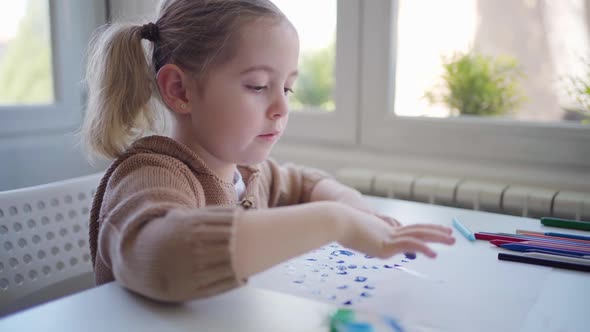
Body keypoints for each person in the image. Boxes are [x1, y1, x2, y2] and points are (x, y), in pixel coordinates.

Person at [82, 0, 455, 303]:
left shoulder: (246, 173)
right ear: (180, 90)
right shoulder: (150, 174)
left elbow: (305, 183)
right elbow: (161, 255)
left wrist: (353, 206)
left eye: (287, 88)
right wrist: (335, 222)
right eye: (258, 86)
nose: (282, 107)